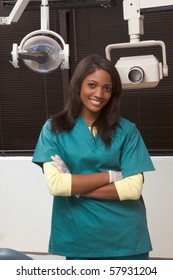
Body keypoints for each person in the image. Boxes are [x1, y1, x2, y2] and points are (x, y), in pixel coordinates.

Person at [32, 54, 155, 260]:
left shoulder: (127, 131)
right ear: (78, 85)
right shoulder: (53, 129)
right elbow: (56, 186)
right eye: (92, 84)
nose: (99, 94)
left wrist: (76, 188)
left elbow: (132, 189)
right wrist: (113, 176)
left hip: (126, 237)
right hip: (79, 237)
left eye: (107, 88)